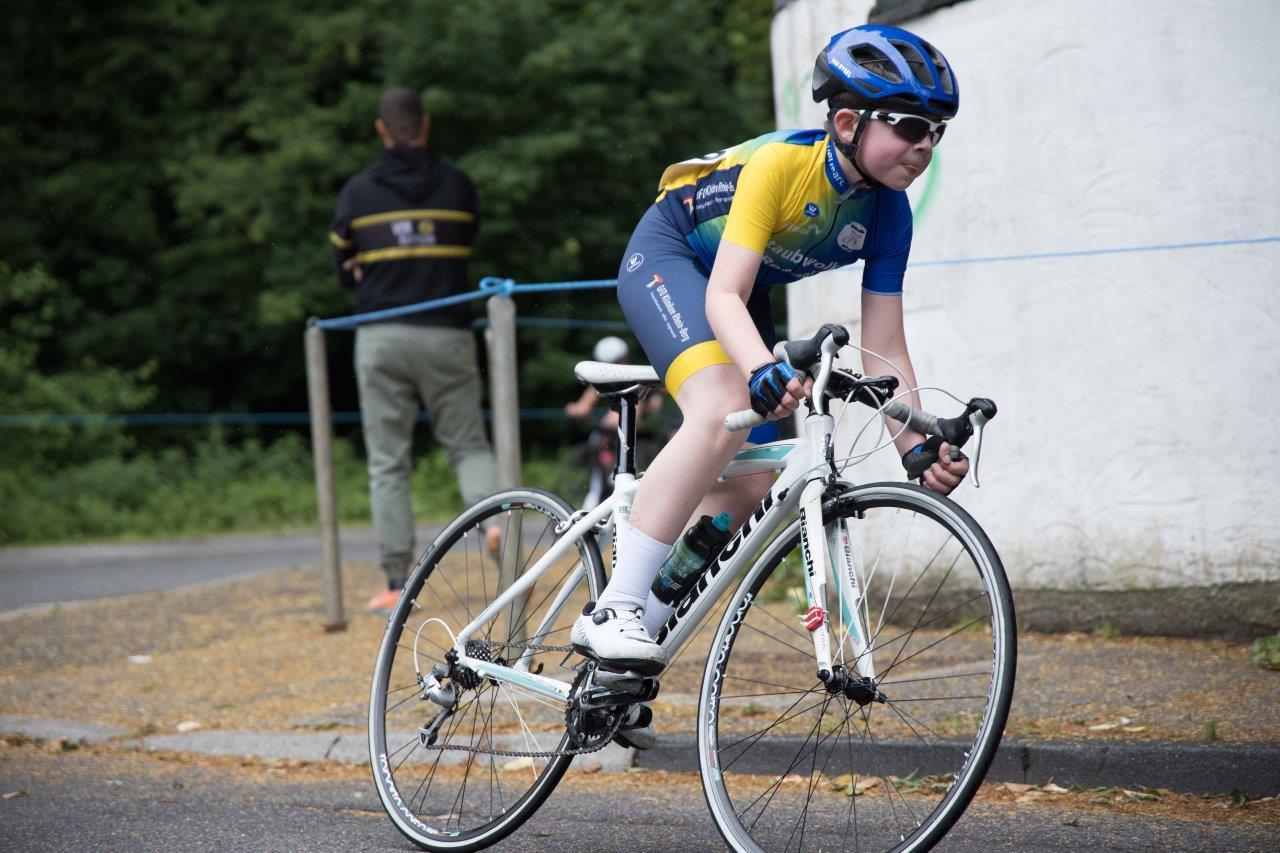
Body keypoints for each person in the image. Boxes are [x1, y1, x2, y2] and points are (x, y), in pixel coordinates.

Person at [572, 25, 972, 677]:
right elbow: (724, 295)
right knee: (721, 408)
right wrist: (760, 368)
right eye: (907, 125)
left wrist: (915, 445)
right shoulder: (782, 165)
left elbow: (885, 346)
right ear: (847, 122)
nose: (924, 144)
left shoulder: (890, 214)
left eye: (936, 131)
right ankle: (614, 605)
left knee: (751, 482)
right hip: (673, 258)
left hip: (740, 289)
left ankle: (630, 644)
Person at [330, 86, 501, 614]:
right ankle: (494, 526)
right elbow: (462, 248)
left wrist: (365, 268)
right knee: (468, 445)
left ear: (381, 130)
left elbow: (343, 269)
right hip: (447, 332)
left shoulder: (357, 192)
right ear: (425, 125)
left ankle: (396, 580)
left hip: (381, 337)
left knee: (388, 462)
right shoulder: (457, 185)